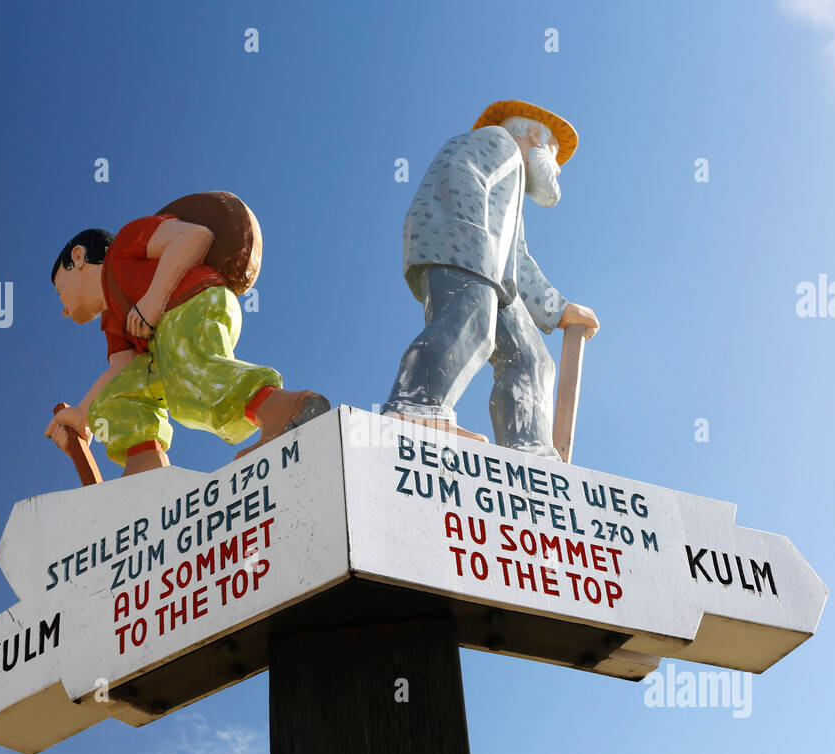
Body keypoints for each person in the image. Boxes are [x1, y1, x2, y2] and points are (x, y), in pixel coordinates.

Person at [382, 100, 600, 459]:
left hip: (496, 275)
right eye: (554, 157)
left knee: (531, 359)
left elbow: (518, 260)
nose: (556, 172)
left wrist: (560, 310)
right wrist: (472, 252)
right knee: (468, 324)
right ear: (534, 133)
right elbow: (457, 177)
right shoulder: (496, 142)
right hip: (462, 247)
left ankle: (528, 448)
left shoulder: (513, 188)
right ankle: (414, 406)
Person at [45, 213, 328, 475]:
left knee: (189, 374)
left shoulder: (126, 244)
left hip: (193, 301)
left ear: (79, 257)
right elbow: (120, 368)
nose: (63, 309)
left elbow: (194, 237)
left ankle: (286, 410)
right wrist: (83, 414)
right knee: (114, 398)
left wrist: (154, 300)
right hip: (162, 346)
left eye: (60, 291)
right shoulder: (113, 320)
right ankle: (145, 470)